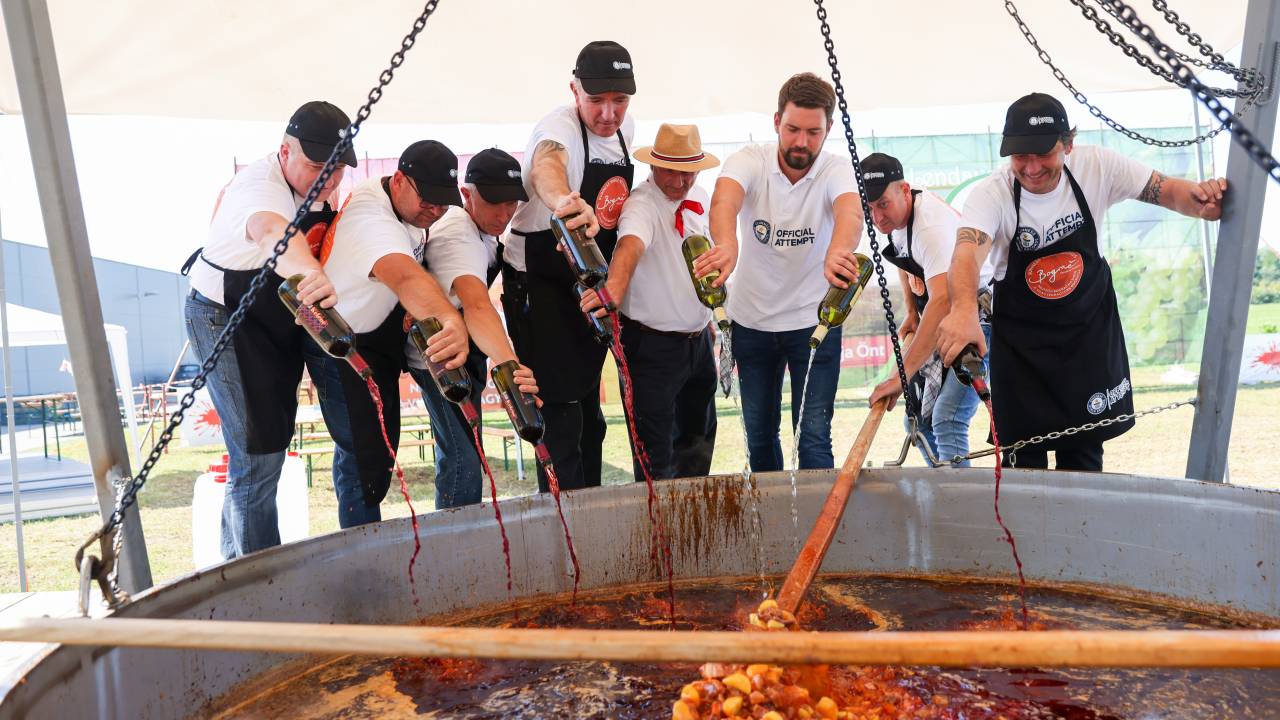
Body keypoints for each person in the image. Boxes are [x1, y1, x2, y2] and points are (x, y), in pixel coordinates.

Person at [937, 92, 1227, 471]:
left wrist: (1200, 201)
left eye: (1044, 154)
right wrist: (962, 309)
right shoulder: (992, 193)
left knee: (1085, 460)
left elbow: (1167, 190)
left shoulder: (1098, 166)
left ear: (1068, 144)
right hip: (1022, 350)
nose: (1032, 167)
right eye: (1020, 156)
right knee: (1023, 468)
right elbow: (965, 254)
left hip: (1086, 340)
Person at [183, 100, 353, 559]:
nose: (329, 179)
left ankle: (235, 568)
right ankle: (263, 579)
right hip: (225, 317)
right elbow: (272, 230)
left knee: (270, 442)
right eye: (318, 167)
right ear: (285, 152)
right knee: (257, 453)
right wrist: (309, 272)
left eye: (338, 169)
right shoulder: (258, 188)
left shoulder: (322, 185)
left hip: (274, 316)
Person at [694, 72, 862, 472]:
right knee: (760, 437)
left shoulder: (837, 169)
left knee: (814, 438)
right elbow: (724, 201)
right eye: (792, 129)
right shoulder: (749, 160)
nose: (801, 142)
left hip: (814, 324)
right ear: (776, 122)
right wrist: (727, 244)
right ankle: (771, 515)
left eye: (813, 132)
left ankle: (818, 516)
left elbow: (850, 212)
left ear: (828, 129)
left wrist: (839, 251)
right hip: (752, 324)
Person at [500, 40, 636, 492]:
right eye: (596, 100)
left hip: (584, 284)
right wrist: (564, 202)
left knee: (589, 418)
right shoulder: (558, 128)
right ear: (574, 90)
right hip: (540, 288)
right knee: (559, 419)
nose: (609, 114)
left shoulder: (625, 131)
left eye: (620, 100)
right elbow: (547, 165)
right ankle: (561, 521)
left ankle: (589, 510)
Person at [315, 140, 468, 524]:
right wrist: (448, 319)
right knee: (364, 455)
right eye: (428, 200)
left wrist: (405, 308)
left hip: (376, 337)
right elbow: (403, 275)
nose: (435, 211)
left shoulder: (409, 209)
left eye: (443, 204)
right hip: (339, 342)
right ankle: (360, 544)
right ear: (399, 180)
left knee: (381, 449)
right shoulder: (371, 216)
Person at [579, 123, 721, 481]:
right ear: (654, 165)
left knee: (699, 445)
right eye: (671, 170)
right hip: (652, 349)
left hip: (699, 343)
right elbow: (630, 247)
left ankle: (695, 513)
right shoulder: (641, 204)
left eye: (688, 172)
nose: (680, 181)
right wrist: (613, 289)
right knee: (655, 456)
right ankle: (656, 517)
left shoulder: (701, 198)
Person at [408, 148, 540, 508]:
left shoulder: (485, 230)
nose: (504, 214)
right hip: (440, 358)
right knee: (462, 461)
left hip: (465, 352)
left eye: (511, 203)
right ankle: (455, 539)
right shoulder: (458, 235)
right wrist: (511, 365)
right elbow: (477, 305)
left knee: (466, 454)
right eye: (494, 202)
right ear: (467, 194)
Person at [861, 153, 992, 466]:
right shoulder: (896, 218)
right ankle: (942, 485)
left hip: (984, 318)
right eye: (869, 208)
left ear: (904, 190)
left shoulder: (929, 228)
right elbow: (905, 259)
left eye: (882, 204)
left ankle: (955, 493)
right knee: (917, 421)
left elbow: (943, 300)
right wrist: (911, 311)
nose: (877, 217)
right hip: (947, 315)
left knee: (947, 418)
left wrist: (901, 377)